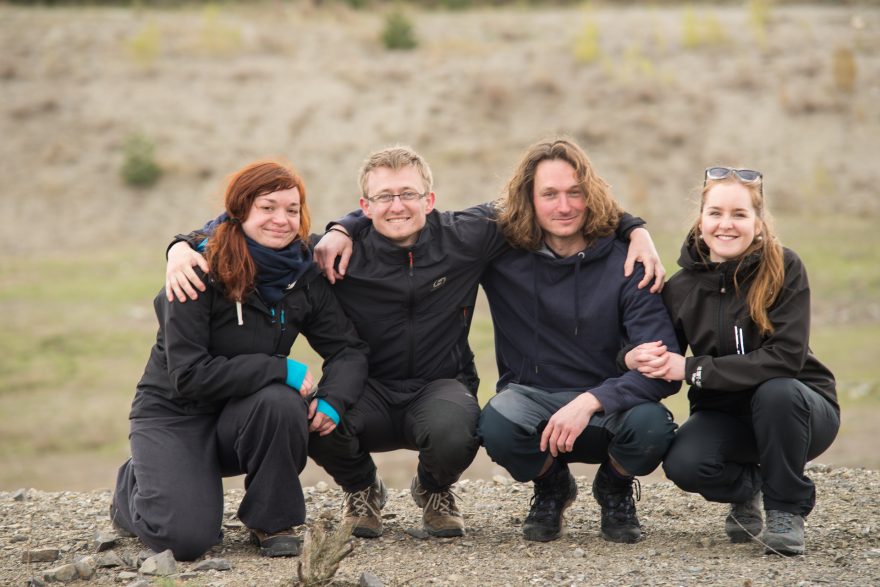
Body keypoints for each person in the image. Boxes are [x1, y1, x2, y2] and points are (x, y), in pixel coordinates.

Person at [166, 145, 664, 540]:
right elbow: (260, 226)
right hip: (366, 387)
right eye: (383, 197)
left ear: (430, 199)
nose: (397, 206)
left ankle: (434, 490)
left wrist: (634, 229)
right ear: (365, 206)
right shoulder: (331, 252)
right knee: (315, 417)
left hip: (438, 383)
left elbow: (557, 203)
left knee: (461, 425)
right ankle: (362, 489)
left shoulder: (468, 236)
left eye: (409, 194)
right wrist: (183, 246)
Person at [112, 161, 369, 561]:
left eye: (292, 209)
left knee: (283, 403)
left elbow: (348, 349)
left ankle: (273, 522)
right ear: (241, 210)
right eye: (267, 208)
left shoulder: (303, 272)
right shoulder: (197, 269)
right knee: (187, 541)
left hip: (241, 414)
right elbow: (189, 376)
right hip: (175, 413)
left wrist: (334, 398)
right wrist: (281, 368)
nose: (281, 220)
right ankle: (132, 485)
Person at [625, 166, 840, 555]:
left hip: (802, 413)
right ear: (701, 221)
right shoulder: (681, 288)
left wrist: (692, 369)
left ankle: (785, 510)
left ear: (758, 224)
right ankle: (750, 485)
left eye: (739, 215)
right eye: (716, 213)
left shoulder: (784, 268)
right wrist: (630, 356)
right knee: (685, 464)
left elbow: (786, 359)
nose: (727, 225)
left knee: (776, 392)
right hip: (727, 418)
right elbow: (655, 354)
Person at [476, 138, 681, 545]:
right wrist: (346, 228)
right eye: (549, 194)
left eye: (576, 193)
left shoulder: (629, 262)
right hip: (533, 400)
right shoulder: (501, 253)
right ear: (528, 200)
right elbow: (420, 222)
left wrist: (590, 401)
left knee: (653, 426)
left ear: (592, 196)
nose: (564, 206)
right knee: (496, 423)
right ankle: (552, 485)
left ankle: (615, 486)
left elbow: (666, 370)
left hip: (609, 407)